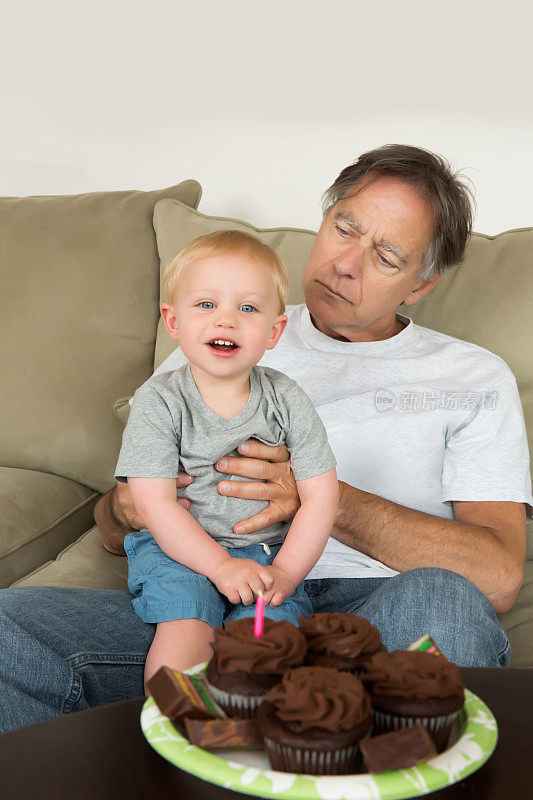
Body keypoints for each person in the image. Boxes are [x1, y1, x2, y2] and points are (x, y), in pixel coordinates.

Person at [1, 144, 531, 736]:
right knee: (7, 630)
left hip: (378, 617)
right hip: (208, 599)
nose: (345, 263)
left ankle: (308, 746)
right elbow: (110, 523)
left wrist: (319, 497)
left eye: (384, 256)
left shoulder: (472, 376)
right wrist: (128, 508)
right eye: (344, 228)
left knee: (448, 603)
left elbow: (498, 577)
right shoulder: (226, 330)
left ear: (419, 285)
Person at [115, 229, 338, 687]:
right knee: (186, 628)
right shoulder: (159, 400)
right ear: (172, 323)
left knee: (272, 643)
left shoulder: (286, 398)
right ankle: (175, 731)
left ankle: (253, 737)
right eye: (206, 304)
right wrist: (218, 566)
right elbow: (154, 504)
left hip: (265, 552)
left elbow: (321, 498)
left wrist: (285, 574)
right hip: (175, 551)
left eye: (248, 308)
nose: (226, 321)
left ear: (274, 331)